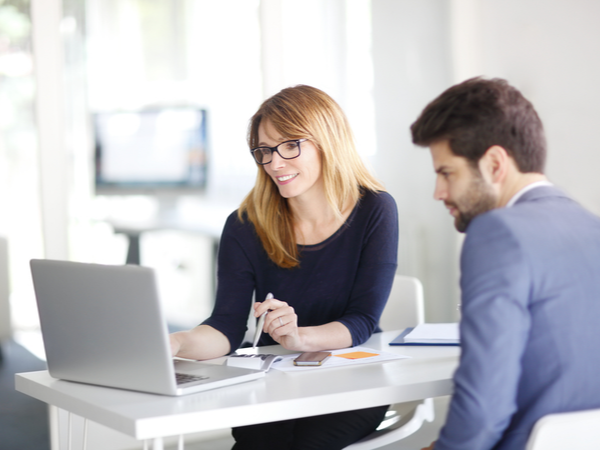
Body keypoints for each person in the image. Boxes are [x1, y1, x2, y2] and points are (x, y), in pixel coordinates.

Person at [170, 84, 399, 449]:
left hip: (352, 379)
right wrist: (175, 341)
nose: (275, 163)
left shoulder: (374, 209)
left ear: (327, 140)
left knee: (309, 442)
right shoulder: (245, 224)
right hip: (272, 382)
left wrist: (298, 337)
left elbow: (362, 321)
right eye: (264, 151)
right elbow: (226, 327)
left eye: (290, 145)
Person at [410, 77, 600, 450]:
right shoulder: (590, 224)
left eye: (446, 173)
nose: (439, 193)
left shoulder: (496, 232)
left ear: (495, 164)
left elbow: (483, 410)